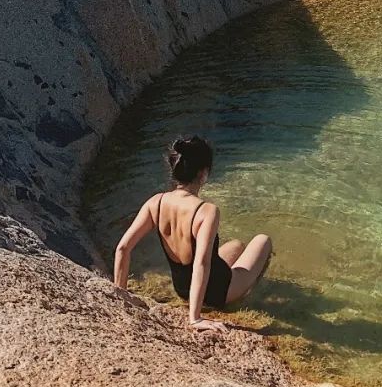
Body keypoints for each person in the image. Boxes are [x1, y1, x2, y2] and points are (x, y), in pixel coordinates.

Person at [113, 135, 272, 332]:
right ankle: (252, 296)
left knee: (237, 245)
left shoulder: (156, 202)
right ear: (204, 173)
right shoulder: (206, 211)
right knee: (263, 241)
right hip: (220, 293)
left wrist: (120, 296)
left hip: (182, 289)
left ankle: (229, 282)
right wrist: (194, 318)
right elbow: (201, 263)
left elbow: (122, 248)